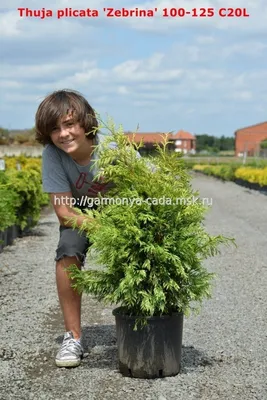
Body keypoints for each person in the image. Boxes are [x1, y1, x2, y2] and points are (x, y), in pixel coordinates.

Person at [35, 89, 116, 368]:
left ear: (85, 123)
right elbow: (64, 213)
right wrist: (102, 226)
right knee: (67, 249)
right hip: (78, 214)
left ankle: (145, 322)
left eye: (69, 124)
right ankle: (73, 337)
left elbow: (145, 191)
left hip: (119, 209)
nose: (63, 134)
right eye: (55, 129)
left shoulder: (111, 151)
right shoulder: (53, 155)